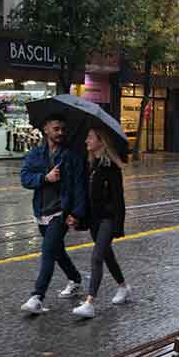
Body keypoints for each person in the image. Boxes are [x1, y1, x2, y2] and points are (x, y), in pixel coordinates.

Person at [20, 114, 84, 314]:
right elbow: (25, 178)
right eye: (56, 129)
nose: (60, 133)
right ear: (45, 129)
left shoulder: (71, 157)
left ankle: (37, 296)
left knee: (47, 251)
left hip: (61, 213)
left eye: (63, 129)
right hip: (41, 211)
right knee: (57, 251)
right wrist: (45, 178)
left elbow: (80, 187)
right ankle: (75, 279)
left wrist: (76, 213)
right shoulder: (35, 154)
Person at [72, 128, 128, 318]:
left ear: (101, 142)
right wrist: (78, 218)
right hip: (95, 220)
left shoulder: (111, 167)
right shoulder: (90, 165)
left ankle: (89, 303)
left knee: (96, 257)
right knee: (107, 256)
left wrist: (118, 226)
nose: (86, 140)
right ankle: (123, 287)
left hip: (108, 219)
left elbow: (119, 200)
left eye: (90, 137)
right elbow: (87, 198)